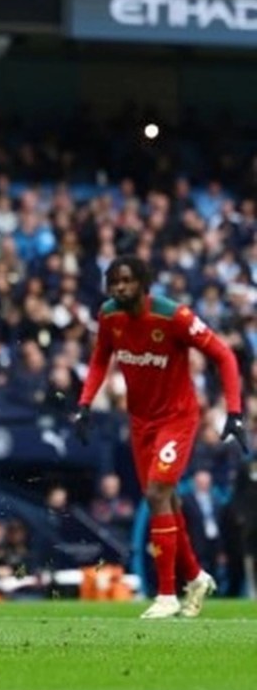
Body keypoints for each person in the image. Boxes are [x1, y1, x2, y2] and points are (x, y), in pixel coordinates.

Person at [73, 255, 246, 619]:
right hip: (140, 423)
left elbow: (224, 355)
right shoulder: (109, 315)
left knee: (156, 492)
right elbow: (100, 358)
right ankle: (196, 577)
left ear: (143, 283)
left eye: (126, 281)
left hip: (178, 419)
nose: (119, 288)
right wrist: (85, 403)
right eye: (114, 282)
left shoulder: (174, 316)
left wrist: (234, 411)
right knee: (165, 502)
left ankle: (167, 594)